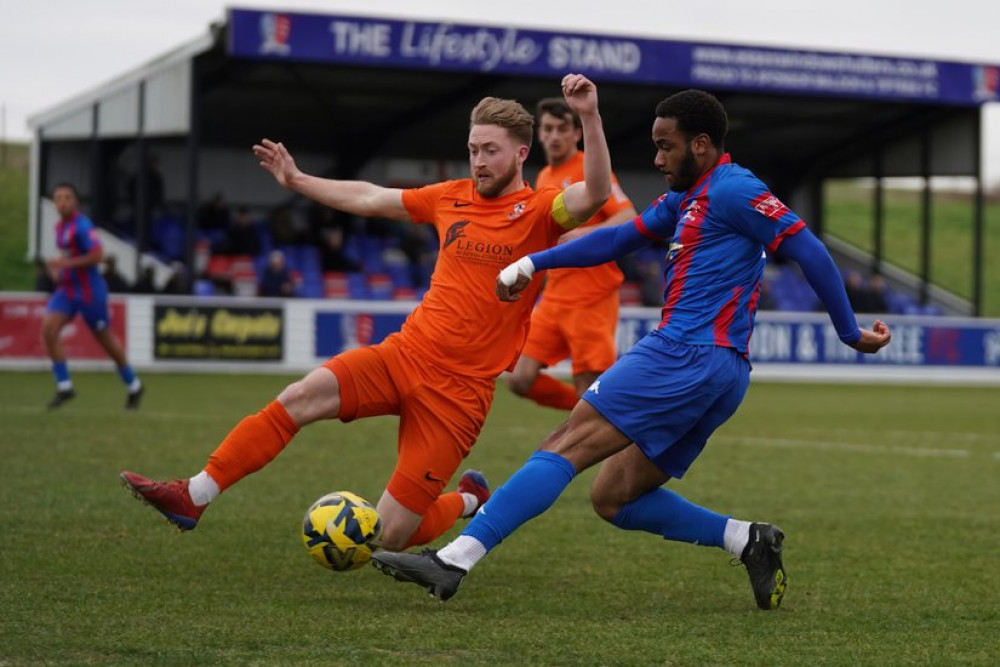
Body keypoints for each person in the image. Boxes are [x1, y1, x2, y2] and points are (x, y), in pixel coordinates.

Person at [371, 89, 893, 610]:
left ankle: (454, 560)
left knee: (566, 443)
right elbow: (617, 241)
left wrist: (848, 332)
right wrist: (535, 263)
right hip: (722, 373)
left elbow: (809, 249)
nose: (657, 159)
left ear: (703, 145)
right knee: (614, 497)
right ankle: (746, 538)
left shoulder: (734, 188)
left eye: (666, 147)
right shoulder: (685, 200)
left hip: (683, 353)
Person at [120, 74, 613, 553]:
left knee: (390, 535)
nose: (479, 161)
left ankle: (467, 499)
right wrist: (297, 180)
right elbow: (371, 197)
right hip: (404, 355)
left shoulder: (540, 211)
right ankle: (194, 495)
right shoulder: (450, 197)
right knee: (300, 396)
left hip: (458, 395)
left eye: (491, 151)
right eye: (473, 149)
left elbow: (593, 194)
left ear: (521, 153)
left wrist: (588, 115)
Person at [507, 97, 638, 410]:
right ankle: (589, 418)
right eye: (548, 129)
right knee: (519, 377)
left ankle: (593, 424)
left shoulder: (589, 168)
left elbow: (629, 215)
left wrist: (582, 235)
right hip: (555, 297)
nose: (554, 136)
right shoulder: (543, 178)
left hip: (592, 295)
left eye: (561, 129)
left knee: (588, 386)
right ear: (539, 134)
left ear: (576, 134)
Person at [43, 183, 144, 409]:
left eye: (67, 197)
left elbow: (98, 255)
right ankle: (64, 386)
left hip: (90, 291)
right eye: (58, 198)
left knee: (104, 339)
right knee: (49, 329)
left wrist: (65, 263)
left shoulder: (82, 225)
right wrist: (56, 269)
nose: (62, 202)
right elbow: (66, 255)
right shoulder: (60, 227)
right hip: (68, 289)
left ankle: (134, 384)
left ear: (76, 202)